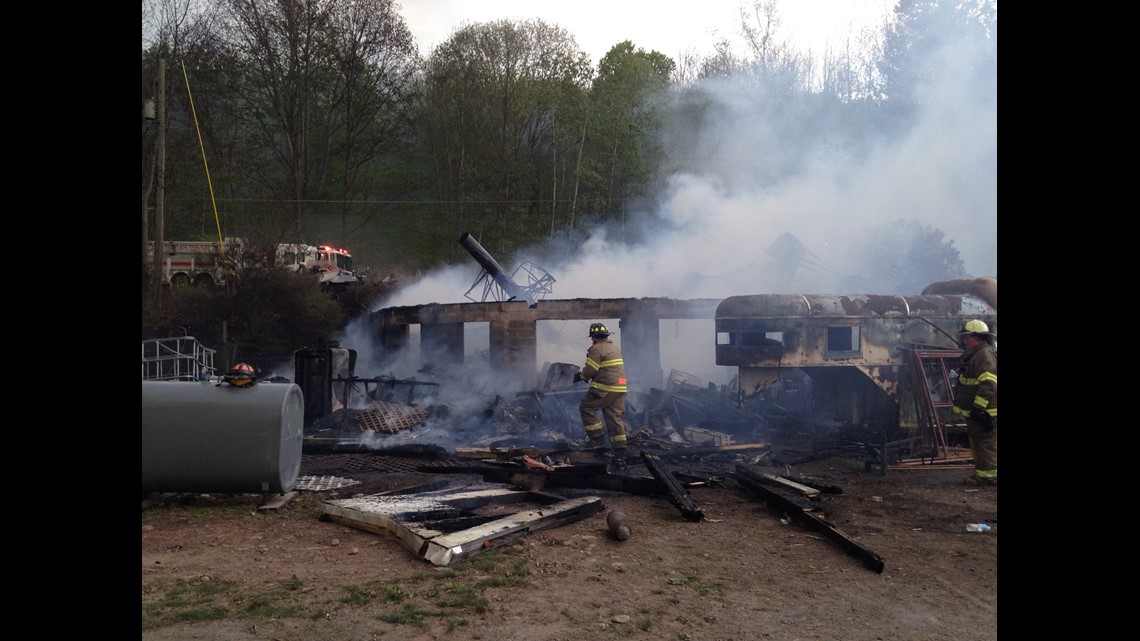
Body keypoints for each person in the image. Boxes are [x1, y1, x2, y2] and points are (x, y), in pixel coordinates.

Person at [574, 322, 630, 471]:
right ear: (606, 335)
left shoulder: (596, 349)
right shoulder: (613, 347)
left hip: (605, 387)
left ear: (593, 337)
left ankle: (598, 441)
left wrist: (580, 376)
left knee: (586, 407)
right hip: (620, 388)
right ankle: (620, 453)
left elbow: (590, 370)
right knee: (613, 418)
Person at [952, 320, 997, 486]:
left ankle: (987, 477)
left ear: (976, 338)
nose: (965, 340)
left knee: (984, 443)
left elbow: (988, 384)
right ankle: (982, 475)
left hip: (985, 410)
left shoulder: (984, 355)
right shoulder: (977, 354)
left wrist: (979, 408)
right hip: (978, 410)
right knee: (978, 442)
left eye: (967, 337)